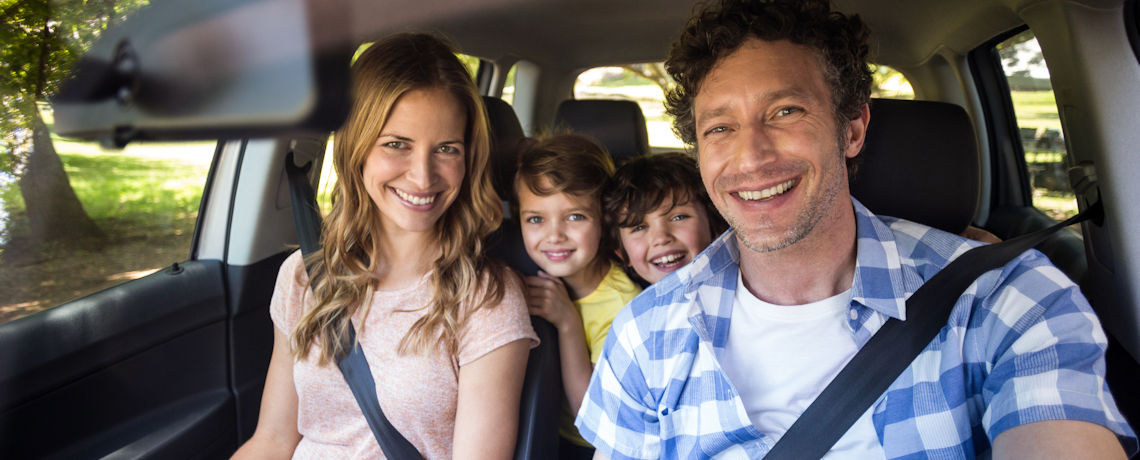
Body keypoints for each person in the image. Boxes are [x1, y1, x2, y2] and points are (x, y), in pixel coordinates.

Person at [574, 1, 1137, 458]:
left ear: (852, 129)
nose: (751, 158)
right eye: (720, 127)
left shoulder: (1006, 299)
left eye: (785, 112)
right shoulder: (645, 335)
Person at [232, 33, 537, 459]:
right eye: (397, 145)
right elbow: (272, 441)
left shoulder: (486, 300)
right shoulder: (304, 276)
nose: (422, 177)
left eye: (446, 149)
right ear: (357, 147)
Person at [513, 134, 642, 460]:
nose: (554, 235)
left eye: (575, 217)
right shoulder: (512, 269)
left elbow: (593, 419)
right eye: (536, 219)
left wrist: (569, 323)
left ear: (605, 219)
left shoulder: (622, 307)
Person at [602, 152, 727, 284]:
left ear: (716, 227)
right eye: (639, 227)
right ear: (623, 254)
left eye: (679, 218)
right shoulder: (630, 303)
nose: (661, 239)